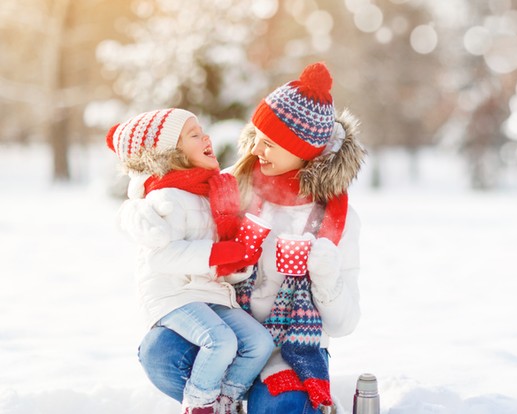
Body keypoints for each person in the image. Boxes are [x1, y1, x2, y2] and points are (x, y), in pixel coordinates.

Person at [125, 62, 366, 413]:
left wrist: (324, 274)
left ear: (303, 150)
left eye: (269, 144)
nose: (255, 151)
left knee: (281, 407)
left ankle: (263, 398)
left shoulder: (335, 220)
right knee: (160, 354)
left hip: (291, 347)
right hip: (226, 331)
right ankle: (220, 402)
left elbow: (344, 324)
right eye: (255, 138)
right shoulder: (227, 187)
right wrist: (140, 211)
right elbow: (164, 196)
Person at [108, 108, 275, 414]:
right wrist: (216, 256)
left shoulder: (208, 194)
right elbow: (161, 256)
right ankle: (199, 406)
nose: (206, 137)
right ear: (171, 152)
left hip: (209, 293)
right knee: (220, 341)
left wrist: (236, 265)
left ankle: (226, 402)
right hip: (174, 296)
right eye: (194, 135)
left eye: (203, 130)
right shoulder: (166, 196)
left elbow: (213, 261)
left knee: (260, 343)